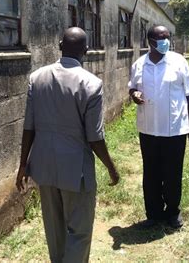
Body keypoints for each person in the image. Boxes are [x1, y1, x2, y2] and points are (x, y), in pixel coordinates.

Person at [15, 27, 119, 263]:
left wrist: (23, 165)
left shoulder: (37, 77)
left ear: (59, 45)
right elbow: (95, 137)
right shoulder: (91, 84)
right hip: (76, 170)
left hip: (44, 166)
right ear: (86, 50)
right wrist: (111, 168)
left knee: (54, 229)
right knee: (79, 232)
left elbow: (28, 127)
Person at [128, 25, 189, 229]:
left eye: (168, 37)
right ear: (150, 41)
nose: (166, 41)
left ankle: (173, 212)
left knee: (173, 173)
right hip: (148, 129)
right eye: (161, 38)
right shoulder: (139, 65)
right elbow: (133, 87)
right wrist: (134, 95)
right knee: (151, 173)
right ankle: (153, 213)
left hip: (175, 129)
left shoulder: (178, 62)